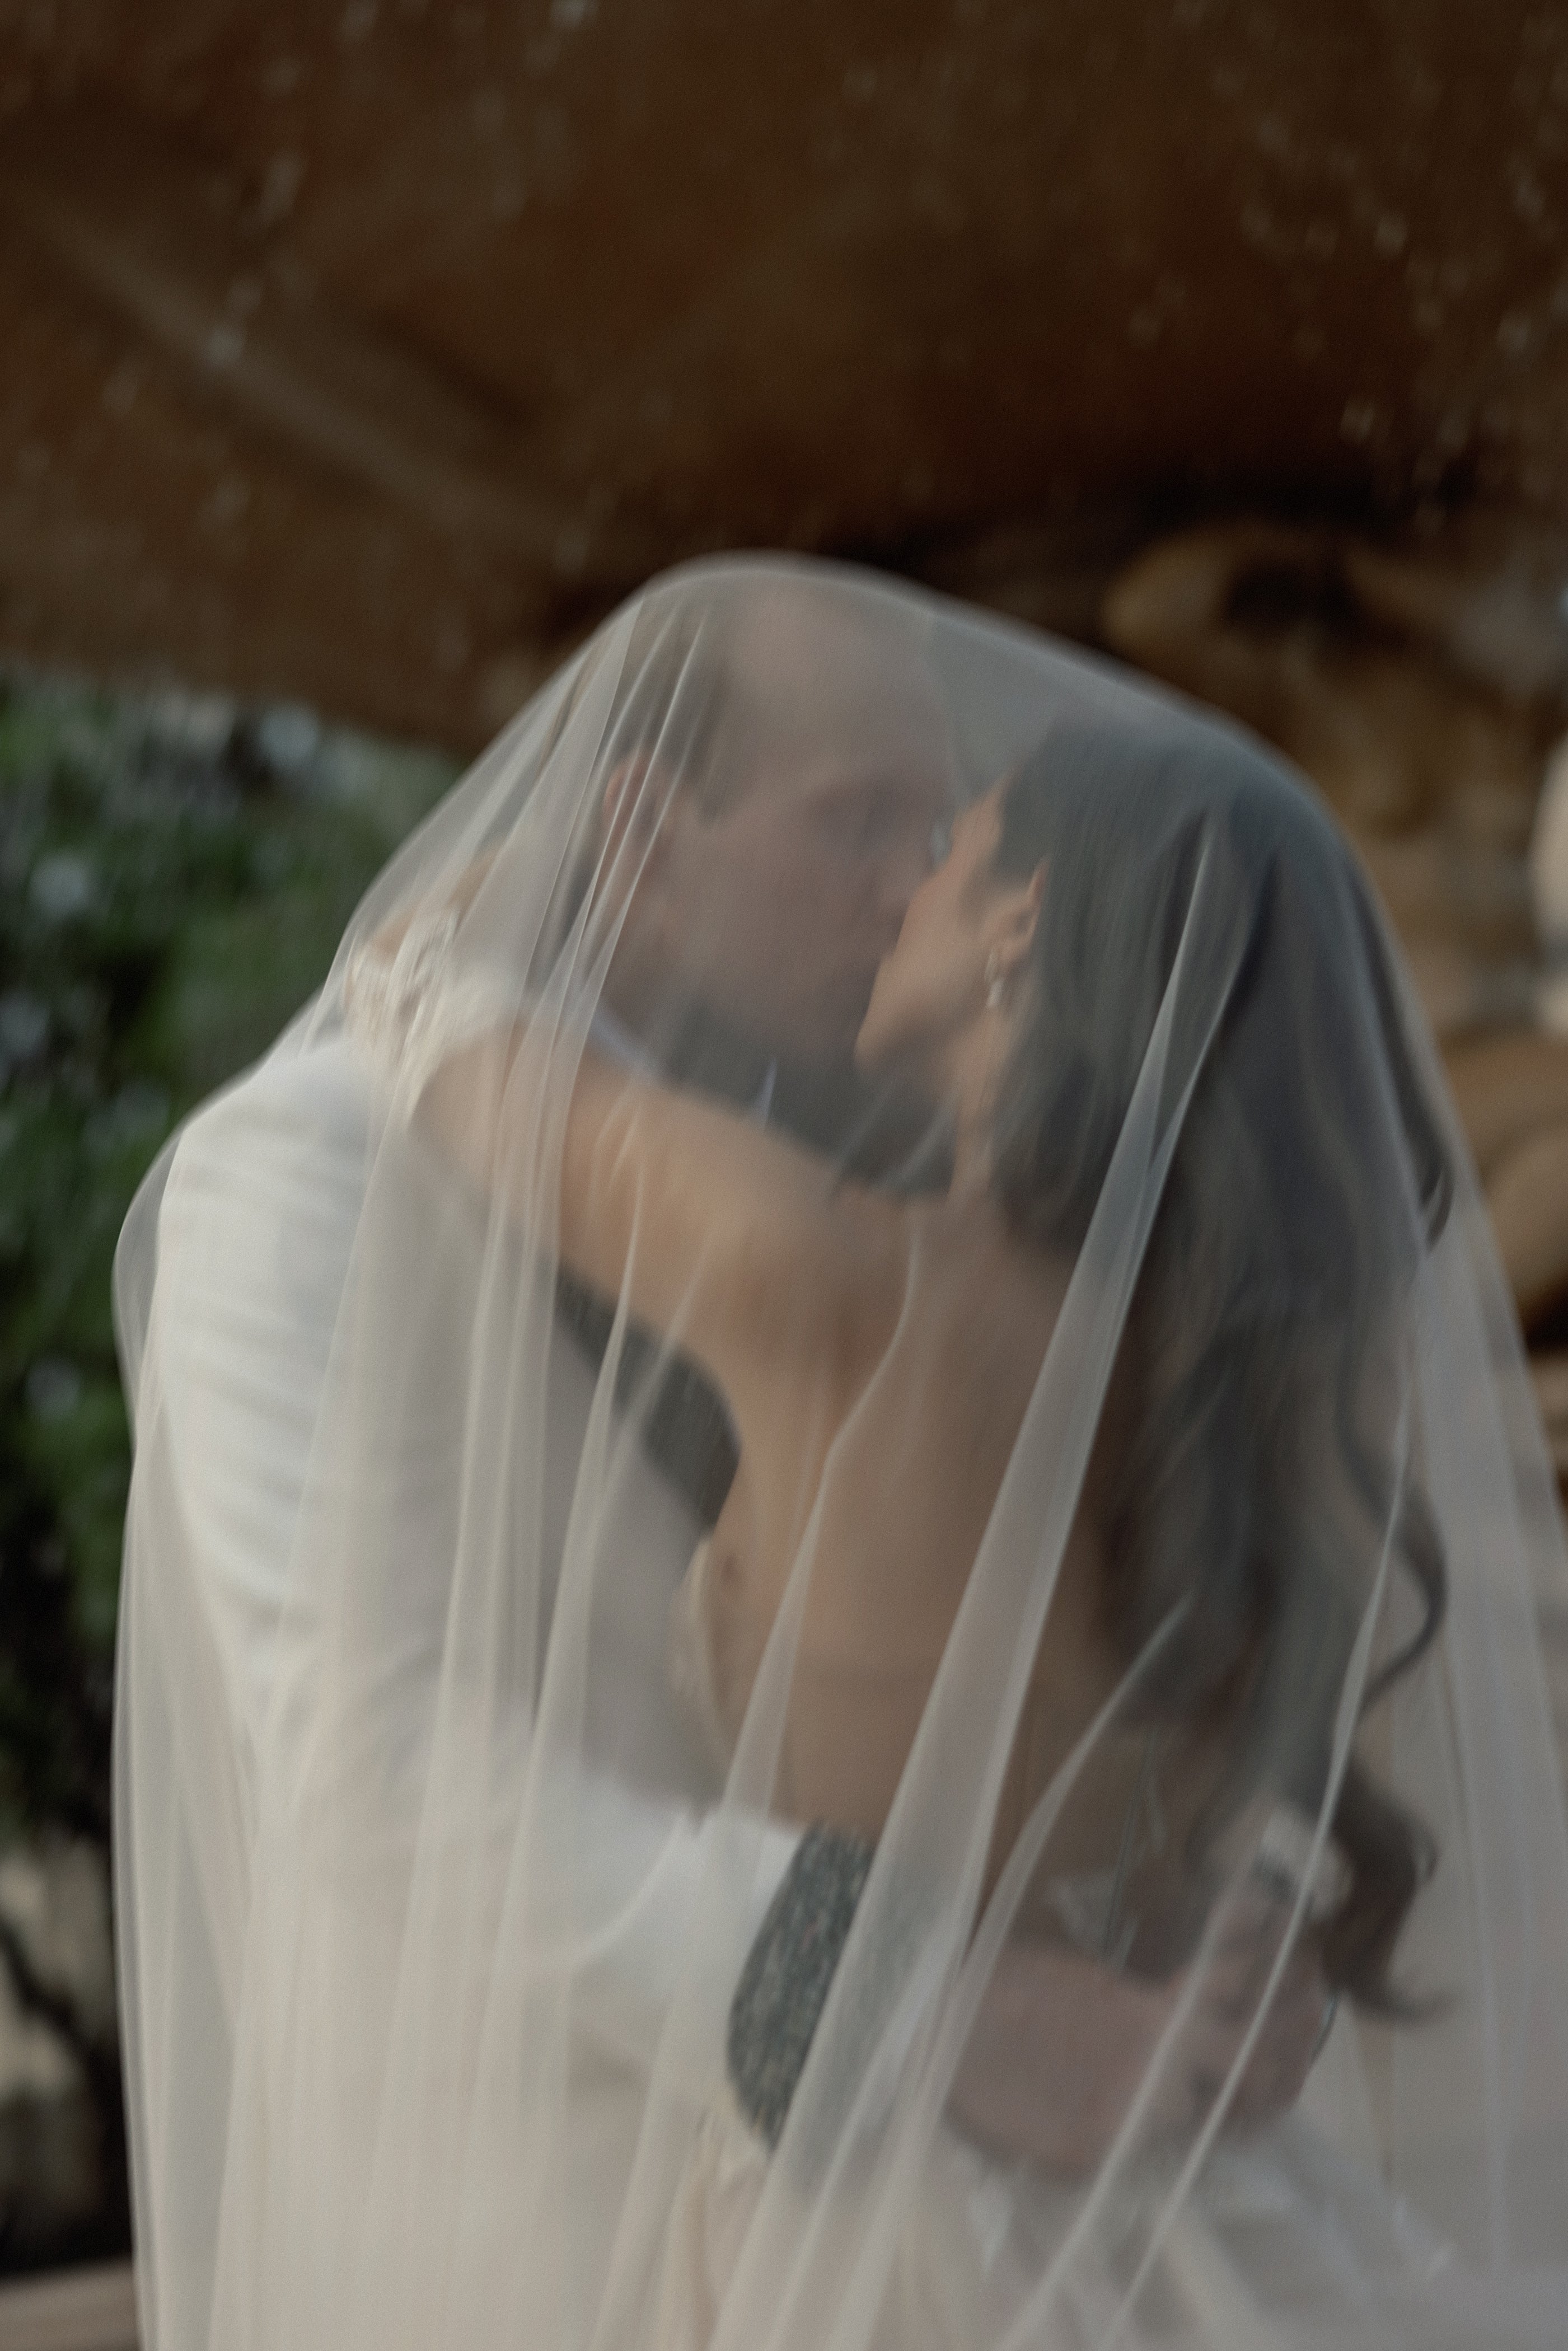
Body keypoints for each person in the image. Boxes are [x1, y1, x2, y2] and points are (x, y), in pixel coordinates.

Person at [114, 561, 1568, 2351]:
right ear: (644, 823)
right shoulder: (306, 1173)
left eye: (943, 830)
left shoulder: (839, 1219)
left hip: (896, 2233)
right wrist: (936, 2004)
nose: (911, 878)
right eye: (864, 819)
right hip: (577, 2228)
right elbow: (369, 1749)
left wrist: (1175, 1926)